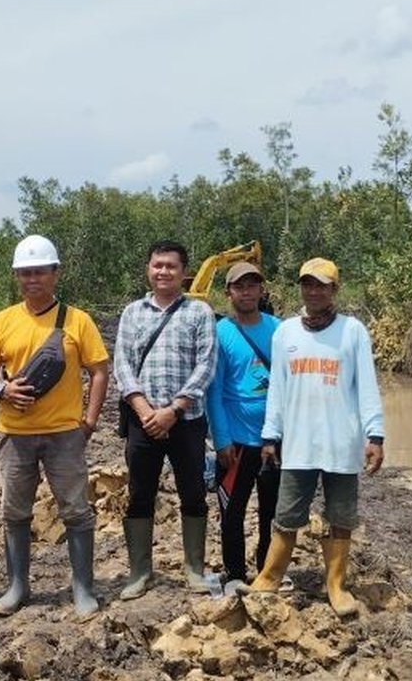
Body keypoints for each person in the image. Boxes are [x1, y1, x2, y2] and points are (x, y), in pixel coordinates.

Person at [0, 235, 110, 622]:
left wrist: (89, 420)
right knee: (15, 510)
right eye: (25, 273)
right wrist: (2, 387)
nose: (32, 279)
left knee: (76, 510)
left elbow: (99, 370)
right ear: (17, 276)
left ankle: (82, 587)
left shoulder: (77, 320)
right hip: (14, 433)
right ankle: (18, 585)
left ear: (55, 273)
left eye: (40, 272)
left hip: (64, 432)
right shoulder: (1, 321)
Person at [247, 258, 386, 617]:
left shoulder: (353, 331)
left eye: (321, 285)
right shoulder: (286, 333)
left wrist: (376, 435)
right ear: (301, 288)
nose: (314, 291)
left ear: (334, 289)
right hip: (298, 444)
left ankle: (336, 586)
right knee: (287, 514)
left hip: (341, 443)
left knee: (341, 516)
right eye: (308, 284)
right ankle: (269, 578)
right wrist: (270, 435)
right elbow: (276, 388)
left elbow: (367, 387)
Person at [113, 240, 217, 599]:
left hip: (186, 421)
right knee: (140, 493)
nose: (163, 272)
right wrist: (144, 410)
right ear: (148, 268)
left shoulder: (200, 313)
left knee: (193, 492)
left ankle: (194, 570)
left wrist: (174, 410)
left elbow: (206, 365)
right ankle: (140, 572)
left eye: (171, 266)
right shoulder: (132, 313)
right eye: (157, 265)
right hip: (142, 422)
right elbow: (122, 365)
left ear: (184, 272)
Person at [204, 262, 281, 587]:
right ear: (228, 293)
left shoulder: (279, 329)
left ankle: (268, 571)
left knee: (272, 513)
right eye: (239, 286)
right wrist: (221, 441)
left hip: (274, 443)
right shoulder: (220, 333)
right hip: (235, 442)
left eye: (253, 285)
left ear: (261, 290)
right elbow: (214, 391)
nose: (247, 291)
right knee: (231, 513)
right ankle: (235, 573)